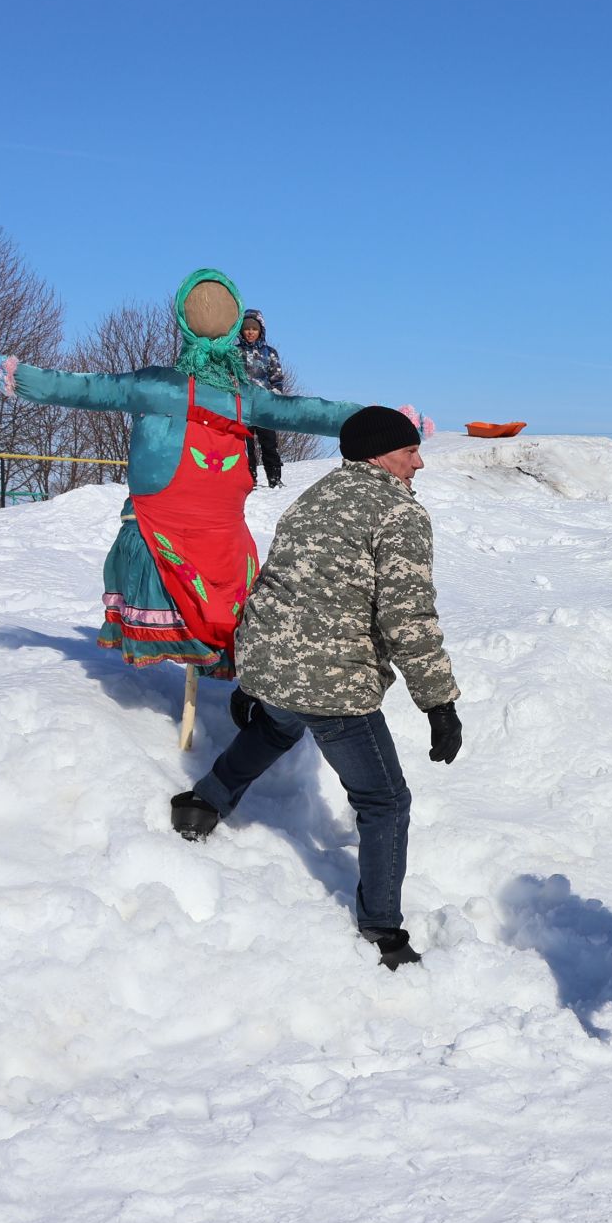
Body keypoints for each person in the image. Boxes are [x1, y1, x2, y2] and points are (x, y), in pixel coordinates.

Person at [0, 269, 359, 677]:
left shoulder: (158, 385)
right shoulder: (243, 397)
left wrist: (10, 374)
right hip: (207, 531)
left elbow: (81, 387)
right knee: (222, 608)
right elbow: (310, 412)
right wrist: (380, 420)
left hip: (177, 521)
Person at [169, 406, 462, 970]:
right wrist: (439, 702)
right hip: (335, 684)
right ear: (379, 454)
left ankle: (203, 803)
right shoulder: (397, 513)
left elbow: (271, 583)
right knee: (384, 801)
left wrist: (253, 671)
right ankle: (382, 930)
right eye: (409, 452)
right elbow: (408, 618)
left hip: (277, 666)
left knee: (277, 725)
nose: (419, 463)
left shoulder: (313, 498)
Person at [237, 309, 286, 488]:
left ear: (260, 331)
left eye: (254, 329)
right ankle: (250, 479)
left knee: (269, 444)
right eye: (246, 328)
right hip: (243, 406)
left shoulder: (269, 352)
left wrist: (274, 396)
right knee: (245, 446)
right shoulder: (234, 353)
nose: (250, 332)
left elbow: (277, 378)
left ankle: (275, 478)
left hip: (265, 405)